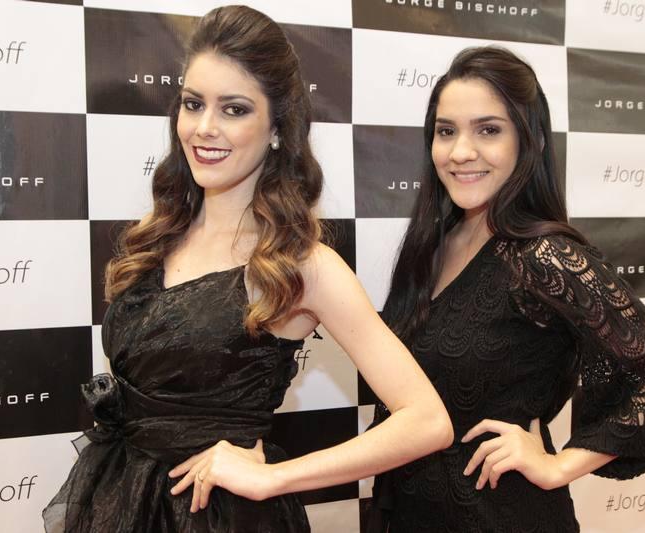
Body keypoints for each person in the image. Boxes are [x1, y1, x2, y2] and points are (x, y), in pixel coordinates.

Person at [42, 6, 453, 532]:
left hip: (221, 518)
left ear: (278, 128)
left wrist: (276, 478)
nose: (204, 128)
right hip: (122, 501)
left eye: (234, 109)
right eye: (193, 104)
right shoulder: (156, 235)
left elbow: (427, 421)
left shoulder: (302, 265)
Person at [368, 46, 645, 533]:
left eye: (488, 130)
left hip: (503, 517)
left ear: (530, 140)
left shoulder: (543, 256)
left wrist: (561, 465)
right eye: (446, 131)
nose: (460, 151)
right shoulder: (430, 245)